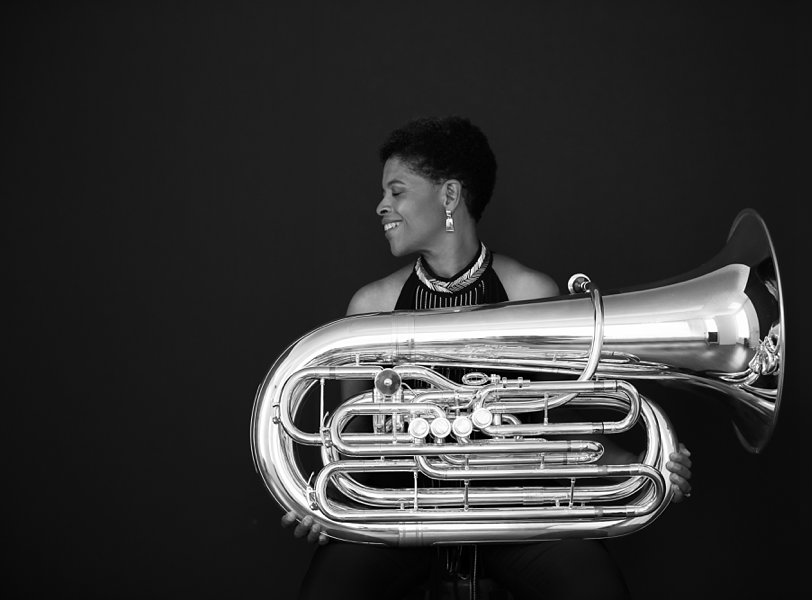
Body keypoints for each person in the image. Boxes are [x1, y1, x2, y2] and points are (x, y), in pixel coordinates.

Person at [282, 116, 693, 600]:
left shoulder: (529, 292)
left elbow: (560, 428)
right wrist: (318, 500)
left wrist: (649, 463)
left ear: (450, 196)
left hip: (511, 511)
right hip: (400, 512)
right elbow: (346, 444)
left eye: (397, 192)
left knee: (595, 588)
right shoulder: (371, 307)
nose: (381, 206)